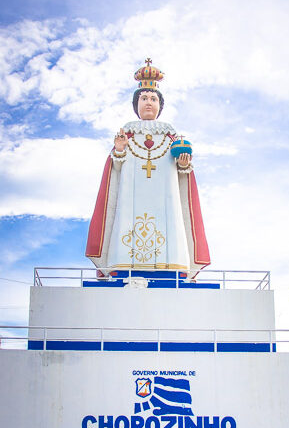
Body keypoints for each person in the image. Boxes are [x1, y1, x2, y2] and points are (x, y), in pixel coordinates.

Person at [85, 59, 210, 277]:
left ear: (160, 105)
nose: (149, 103)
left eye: (153, 99)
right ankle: (121, 264)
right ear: (136, 104)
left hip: (166, 199)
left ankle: (173, 265)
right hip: (130, 198)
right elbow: (114, 171)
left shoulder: (171, 137)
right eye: (144, 98)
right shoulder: (127, 134)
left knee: (171, 227)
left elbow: (183, 173)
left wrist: (183, 165)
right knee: (125, 226)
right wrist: (119, 151)